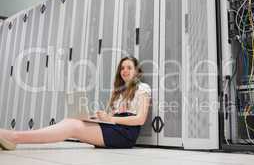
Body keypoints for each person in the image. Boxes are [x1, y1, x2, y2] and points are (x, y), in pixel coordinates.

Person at [0, 56, 151, 150]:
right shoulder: (117, 92)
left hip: (126, 135)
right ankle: (13, 136)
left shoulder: (143, 88)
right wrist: (98, 117)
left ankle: (14, 137)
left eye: (129, 68)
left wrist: (110, 119)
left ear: (137, 71)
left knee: (73, 127)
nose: (124, 71)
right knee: (71, 120)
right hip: (114, 128)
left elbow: (140, 119)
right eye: (122, 68)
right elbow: (110, 117)